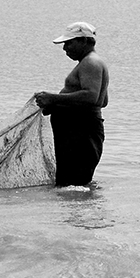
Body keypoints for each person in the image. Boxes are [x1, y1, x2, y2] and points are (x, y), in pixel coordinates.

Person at [34, 21, 109, 187]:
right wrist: (59, 106)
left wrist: (53, 99)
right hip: (80, 131)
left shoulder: (90, 63)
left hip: (81, 133)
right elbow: (102, 101)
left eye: (69, 43)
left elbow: (91, 96)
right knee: (73, 184)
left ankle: (79, 210)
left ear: (84, 41)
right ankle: (78, 210)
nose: (65, 48)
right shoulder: (91, 63)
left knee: (73, 183)